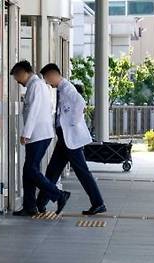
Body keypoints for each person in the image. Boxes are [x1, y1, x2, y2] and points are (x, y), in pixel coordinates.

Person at [37, 63, 106, 216]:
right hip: (65, 138)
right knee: (53, 170)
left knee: (82, 172)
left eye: (47, 78)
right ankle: (40, 203)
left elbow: (80, 102)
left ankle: (98, 203)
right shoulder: (61, 89)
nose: (47, 82)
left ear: (53, 75)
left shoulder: (67, 87)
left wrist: (72, 123)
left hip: (70, 138)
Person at [9, 61, 70, 216]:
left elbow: (34, 111)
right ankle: (30, 206)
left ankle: (58, 194)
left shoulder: (36, 85)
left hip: (38, 135)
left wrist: (26, 133)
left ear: (23, 72)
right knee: (28, 170)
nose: (17, 80)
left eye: (17, 76)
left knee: (30, 170)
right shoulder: (36, 85)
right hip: (39, 134)